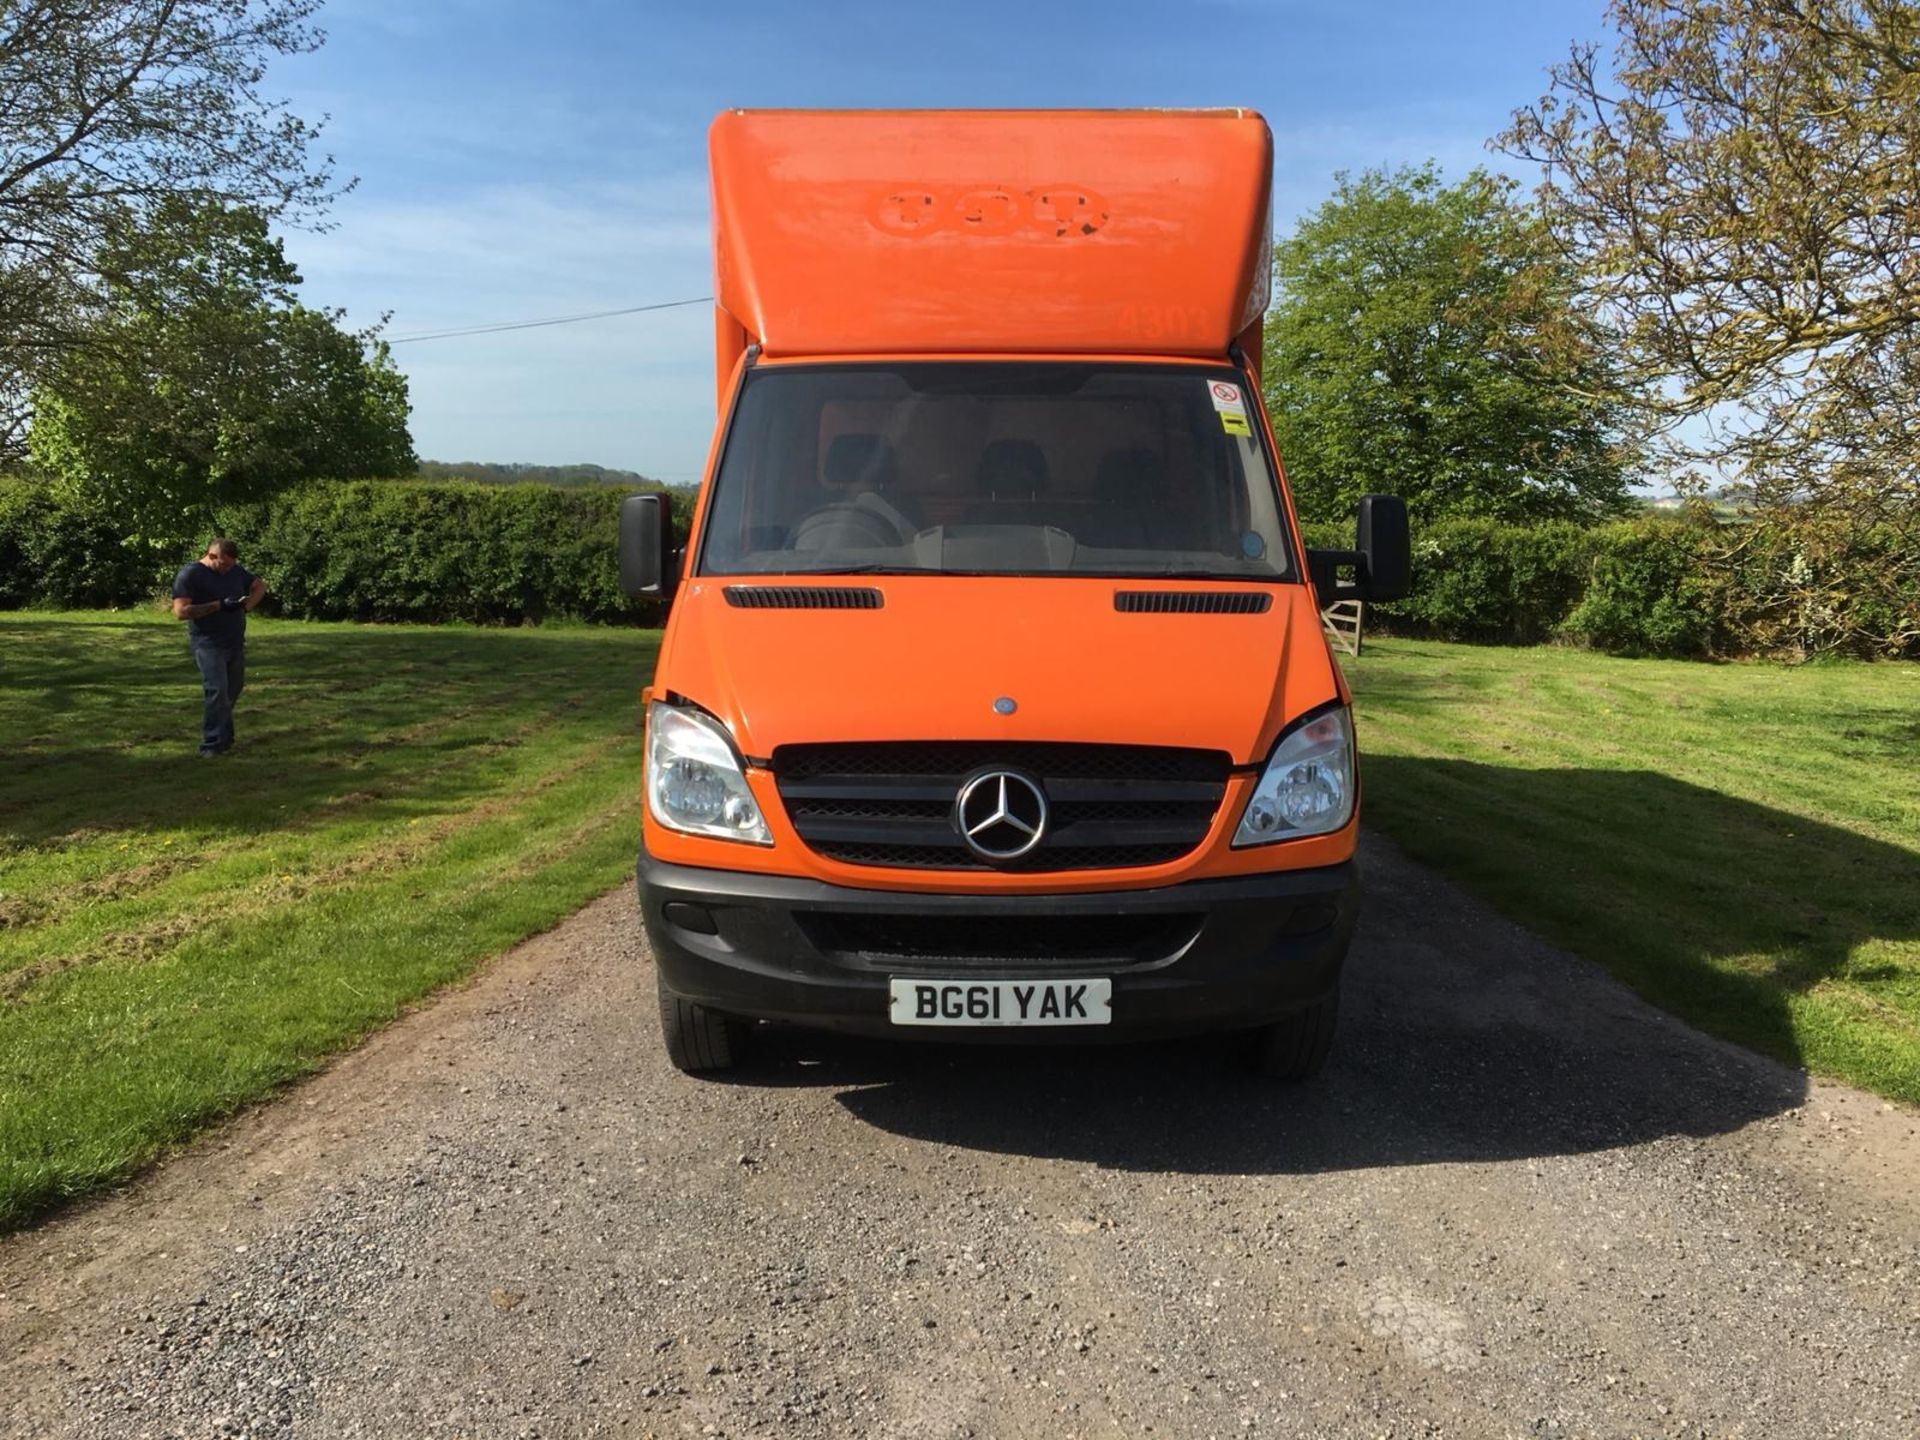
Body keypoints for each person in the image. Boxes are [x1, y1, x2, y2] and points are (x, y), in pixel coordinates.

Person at [170, 536, 268, 757]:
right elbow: (181, 612)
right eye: (224, 565)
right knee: (217, 691)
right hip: (208, 643)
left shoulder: (235, 571)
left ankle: (225, 736)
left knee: (233, 690)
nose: (227, 570)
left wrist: (245, 607)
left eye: (231, 565)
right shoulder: (191, 574)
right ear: (212, 555)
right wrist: (219, 605)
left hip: (234, 641)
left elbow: (260, 586)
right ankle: (212, 744)